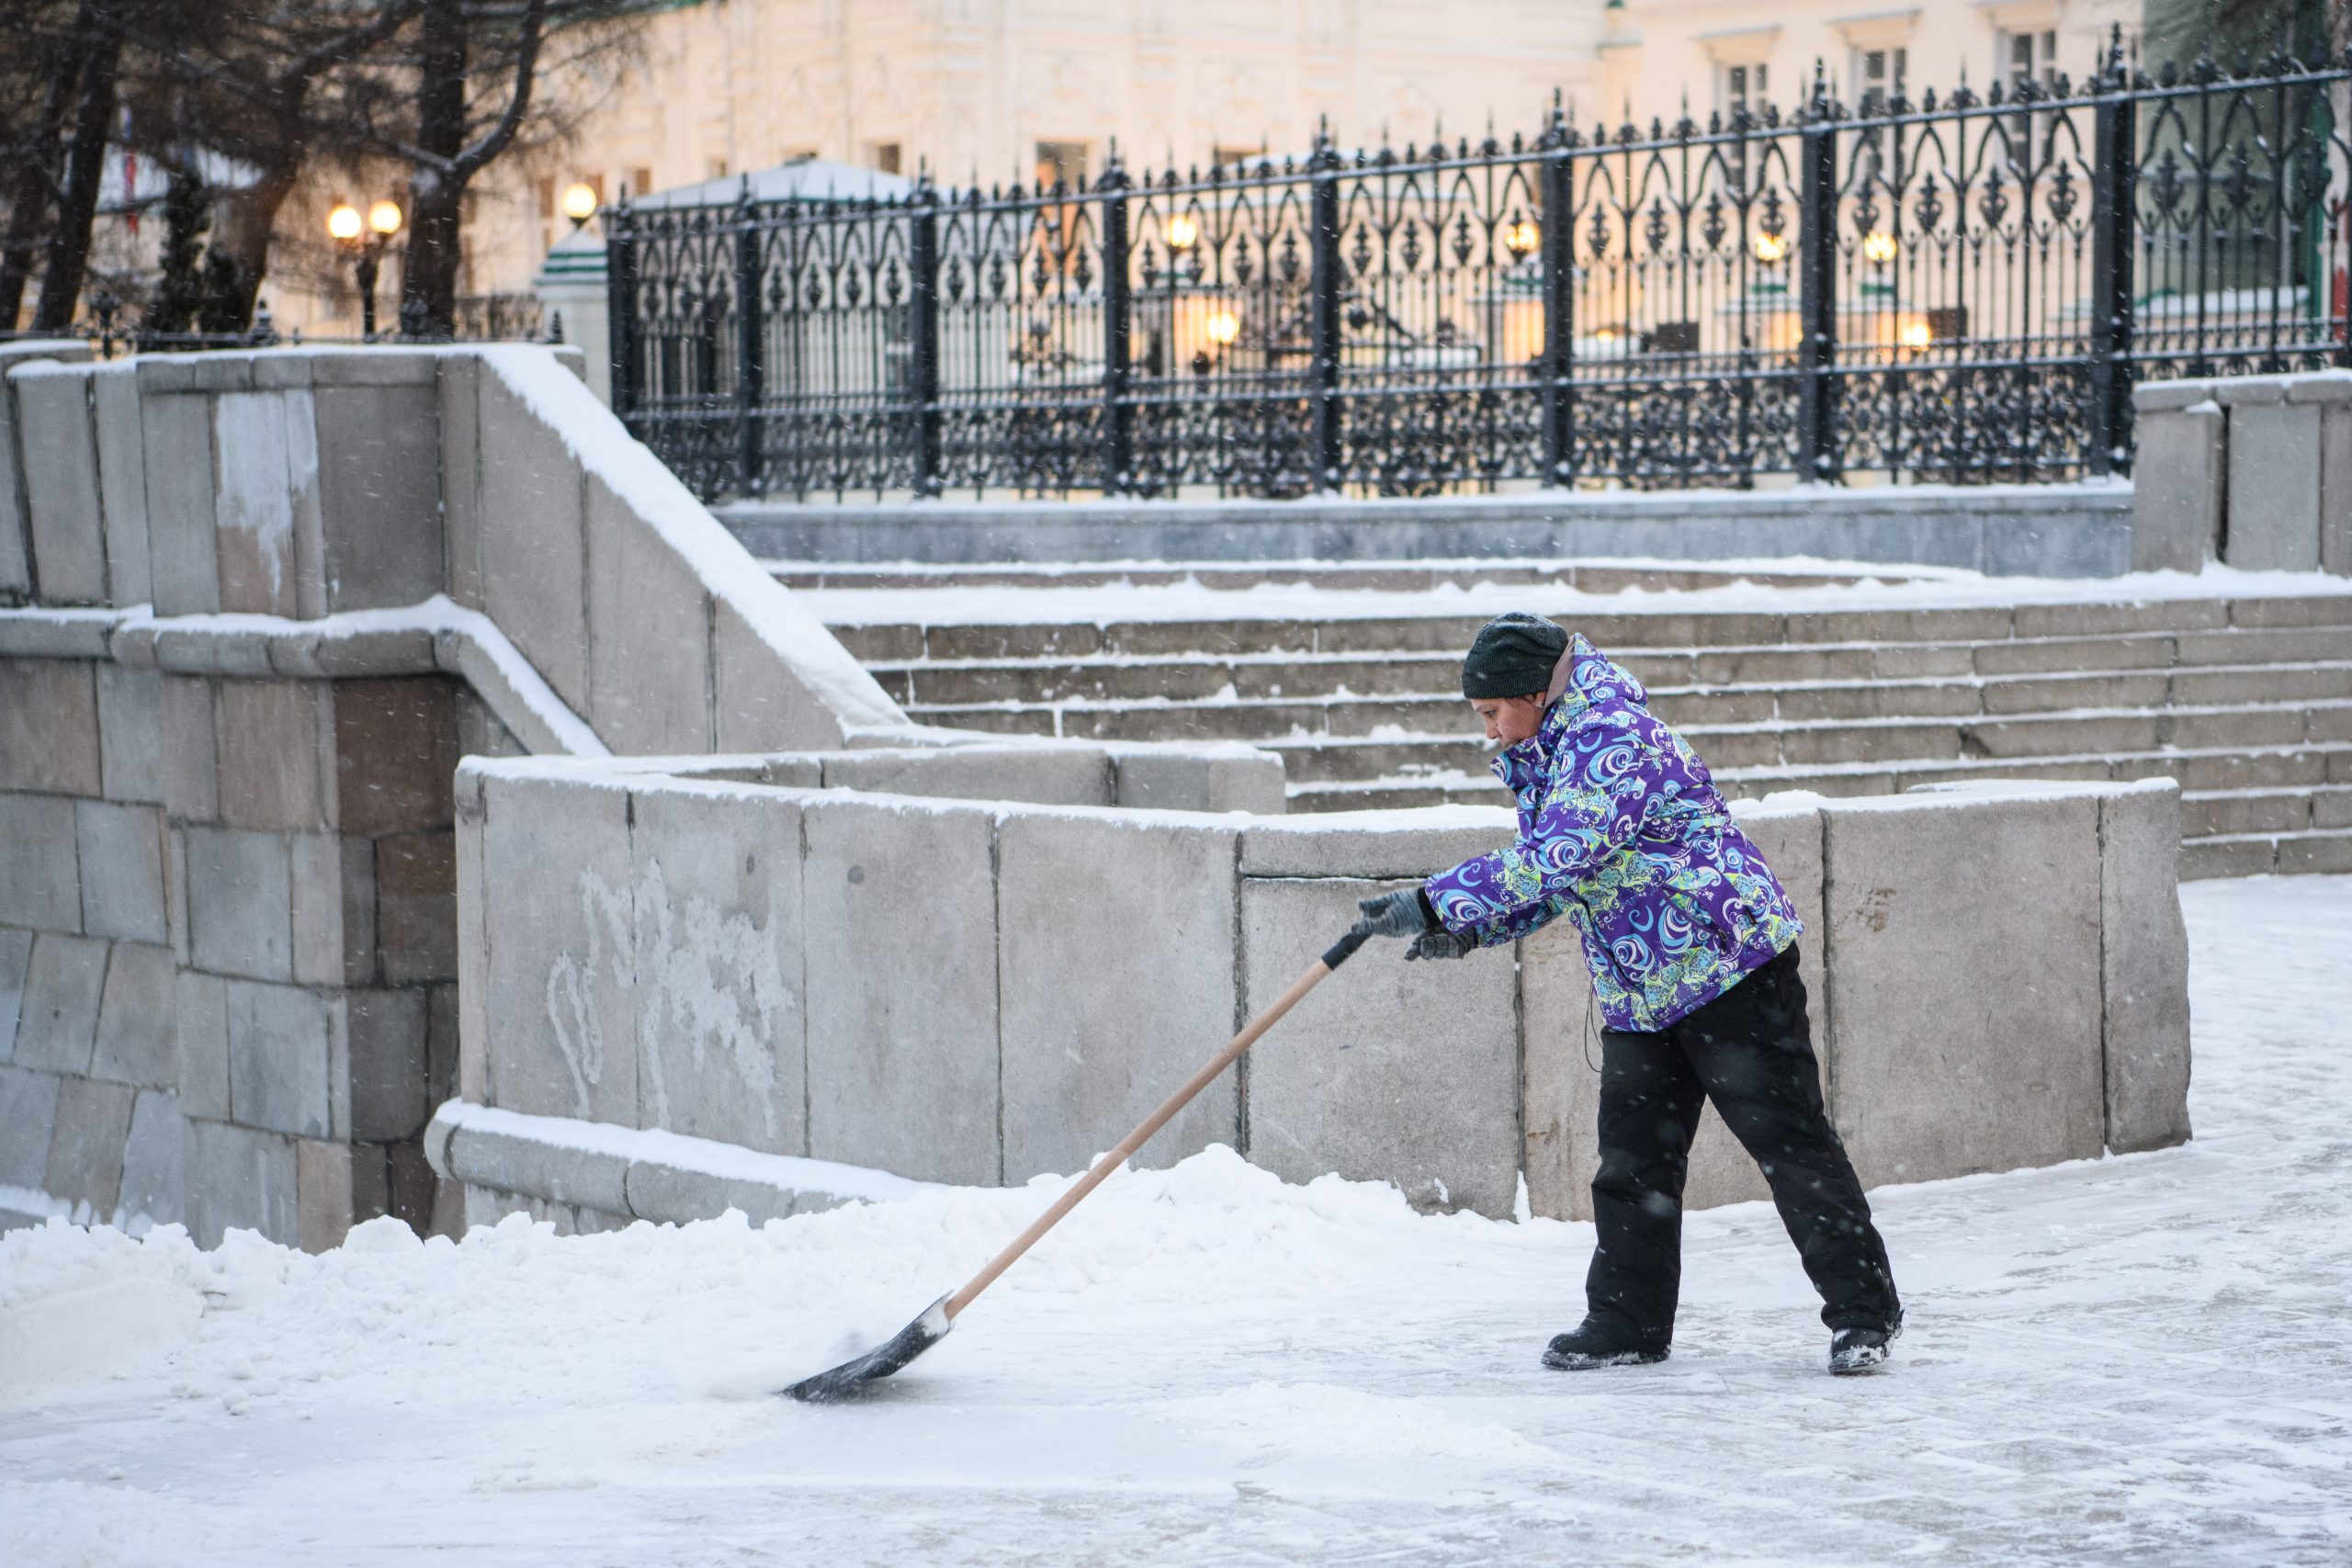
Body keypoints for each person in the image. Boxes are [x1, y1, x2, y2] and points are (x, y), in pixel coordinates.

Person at [1353, 612, 1904, 1376]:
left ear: (1530, 694)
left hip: (1726, 965)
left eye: (1490, 713)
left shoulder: (1611, 736)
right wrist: (1474, 929)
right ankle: (1627, 1322)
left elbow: (1559, 852)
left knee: (1792, 1147)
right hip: (1640, 987)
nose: (1489, 731)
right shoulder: (1552, 745)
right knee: (1633, 1165)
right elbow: (1570, 873)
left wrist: (1439, 900)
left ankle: (1864, 1314)